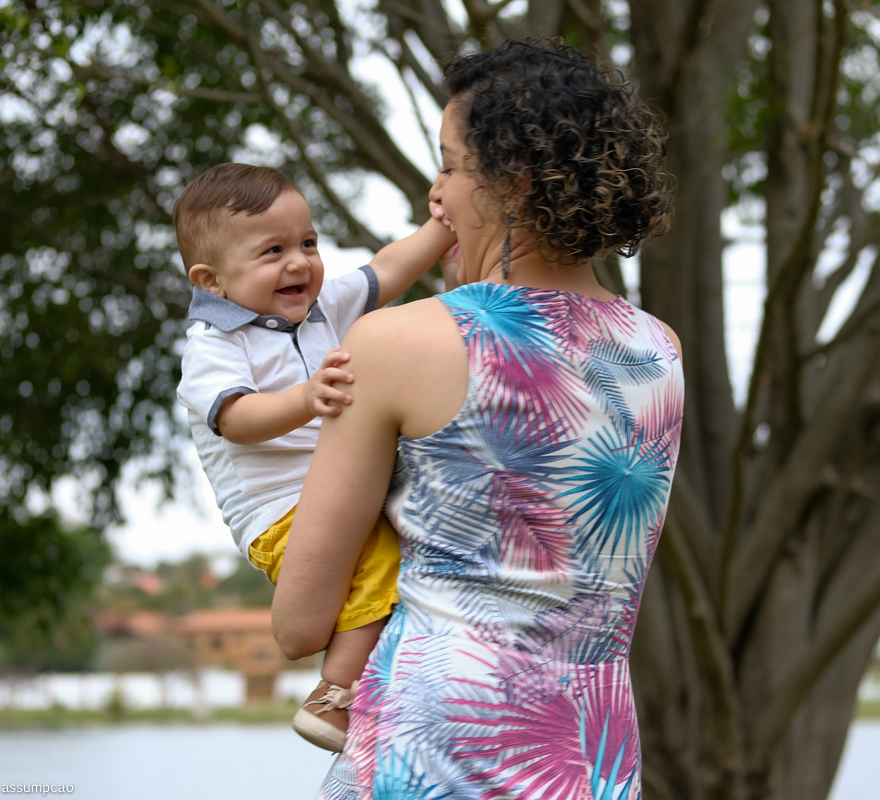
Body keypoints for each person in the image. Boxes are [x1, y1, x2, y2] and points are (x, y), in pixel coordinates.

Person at [273, 39, 681, 797]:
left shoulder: (401, 341)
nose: (437, 196)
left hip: (439, 748)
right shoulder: (658, 352)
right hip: (589, 750)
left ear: (514, 183)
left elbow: (299, 623)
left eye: (451, 166)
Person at [173, 163, 455, 750]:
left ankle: (393, 691)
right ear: (212, 280)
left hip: (338, 488)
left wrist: (443, 224)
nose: (299, 262)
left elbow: (386, 270)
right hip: (279, 511)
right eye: (272, 251)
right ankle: (334, 696)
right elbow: (237, 420)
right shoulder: (214, 344)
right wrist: (305, 399)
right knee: (381, 561)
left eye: (308, 242)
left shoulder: (323, 308)